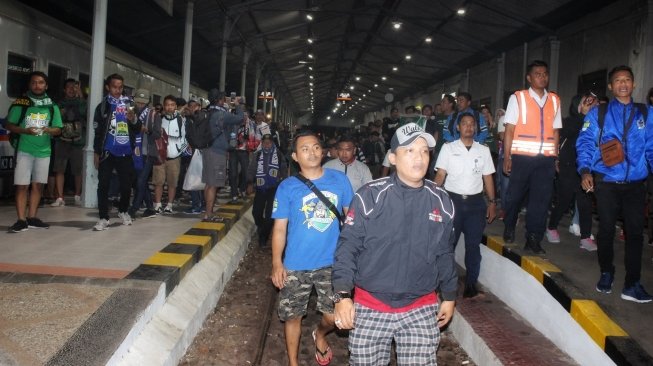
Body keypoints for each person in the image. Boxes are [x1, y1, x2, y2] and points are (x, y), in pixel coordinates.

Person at [332, 123, 457, 365]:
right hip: (370, 305)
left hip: (420, 306)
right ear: (393, 158)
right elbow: (347, 248)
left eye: (424, 151)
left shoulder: (441, 200)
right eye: (409, 151)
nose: (419, 158)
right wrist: (342, 296)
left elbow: (444, 252)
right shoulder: (370, 196)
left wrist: (450, 296)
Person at [271, 131, 353, 366]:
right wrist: (277, 262)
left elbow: (352, 220)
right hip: (296, 264)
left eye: (316, 147)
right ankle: (293, 363)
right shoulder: (287, 187)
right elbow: (279, 229)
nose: (312, 152)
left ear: (324, 151)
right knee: (293, 316)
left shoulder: (339, 181)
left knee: (333, 316)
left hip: (332, 262)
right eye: (305, 149)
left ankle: (320, 333)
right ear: (296, 156)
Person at [576, 65, 653, 303]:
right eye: (618, 80)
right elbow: (586, 143)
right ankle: (607, 273)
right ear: (611, 86)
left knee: (635, 234)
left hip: (635, 184)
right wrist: (585, 170)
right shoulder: (598, 114)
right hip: (607, 181)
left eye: (627, 79)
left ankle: (632, 283)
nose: (623, 84)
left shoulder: (646, 113)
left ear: (633, 84)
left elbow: (651, 146)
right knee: (607, 230)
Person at [502, 60, 562, 254]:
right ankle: (510, 225)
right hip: (521, 158)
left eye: (545, 74)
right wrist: (507, 157)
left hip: (545, 160)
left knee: (541, 200)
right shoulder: (518, 98)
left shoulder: (554, 100)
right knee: (514, 197)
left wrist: (555, 156)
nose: (542, 77)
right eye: (537, 74)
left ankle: (533, 238)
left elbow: (555, 131)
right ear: (529, 77)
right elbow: (509, 129)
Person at [435, 113, 497, 298]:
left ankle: (471, 286)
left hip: (476, 205)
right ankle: (443, 285)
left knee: (473, 247)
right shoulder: (448, 148)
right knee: (448, 246)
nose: (468, 127)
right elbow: (440, 176)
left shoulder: (483, 150)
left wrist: (492, 203)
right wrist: (429, 197)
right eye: (464, 124)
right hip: (452, 202)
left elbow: (488, 177)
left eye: (472, 124)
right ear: (458, 128)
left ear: (476, 128)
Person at [5, 71, 62, 232]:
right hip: (24, 150)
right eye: (34, 83)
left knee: (38, 185)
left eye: (41, 82)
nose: (37, 86)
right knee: (22, 185)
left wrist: (49, 130)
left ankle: (32, 217)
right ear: (30, 85)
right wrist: (25, 131)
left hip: (44, 152)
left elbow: (58, 129)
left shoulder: (52, 105)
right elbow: (9, 125)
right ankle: (21, 220)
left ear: (46, 85)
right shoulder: (21, 102)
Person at [546, 94, 597, 251]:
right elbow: (567, 132)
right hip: (569, 168)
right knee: (564, 201)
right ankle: (551, 227)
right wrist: (583, 115)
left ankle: (585, 237)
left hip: (587, 170)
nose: (591, 106)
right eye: (586, 102)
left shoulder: (596, 122)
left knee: (585, 204)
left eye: (593, 103)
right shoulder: (569, 121)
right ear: (578, 105)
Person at [93, 73, 142, 231]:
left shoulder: (130, 104)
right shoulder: (102, 106)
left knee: (126, 186)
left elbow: (137, 127)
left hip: (125, 151)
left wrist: (133, 119)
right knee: (104, 185)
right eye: (114, 87)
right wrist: (96, 152)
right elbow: (98, 132)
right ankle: (103, 217)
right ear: (108, 87)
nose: (117, 90)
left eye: (120, 87)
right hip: (107, 151)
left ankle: (123, 211)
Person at [202, 89, 245, 222]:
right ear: (220, 100)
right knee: (213, 184)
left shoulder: (208, 112)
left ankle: (208, 212)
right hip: (217, 152)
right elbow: (240, 118)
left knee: (209, 184)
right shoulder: (222, 114)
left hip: (207, 149)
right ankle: (209, 214)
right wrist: (237, 104)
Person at [246, 134, 287, 246]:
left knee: (270, 215)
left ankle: (263, 238)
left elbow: (283, 169)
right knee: (256, 212)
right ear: (262, 143)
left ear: (272, 143)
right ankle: (262, 226)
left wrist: (285, 185)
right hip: (260, 187)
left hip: (274, 188)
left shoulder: (278, 154)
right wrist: (249, 183)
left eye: (269, 142)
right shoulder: (257, 155)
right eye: (264, 142)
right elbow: (251, 169)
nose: (267, 145)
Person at [51, 78, 86, 207]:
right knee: (59, 169)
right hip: (62, 140)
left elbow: (86, 113)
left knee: (78, 170)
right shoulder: (59, 104)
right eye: (69, 87)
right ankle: (60, 197)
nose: (72, 89)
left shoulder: (82, 103)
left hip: (78, 141)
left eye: (74, 87)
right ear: (64, 89)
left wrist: (81, 97)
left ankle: (77, 195)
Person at [128, 89, 160, 219]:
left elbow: (158, 134)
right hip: (135, 152)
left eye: (143, 103)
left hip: (147, 153)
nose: (140, 105)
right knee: (141, 181)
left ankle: (133, 208)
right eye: (138, 102)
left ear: (148, 103)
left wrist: (147, 131)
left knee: (140, 181)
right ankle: (150, 207)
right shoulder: (131, 113)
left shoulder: (153, 115)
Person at [153, 95, 186, 214]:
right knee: (158, 181)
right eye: (167, 105)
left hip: (174, 158)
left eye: (172, 105)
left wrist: (179, 151)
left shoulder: (180, 120)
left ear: (175, 106)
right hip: (160, 157)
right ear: (164, 106)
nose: (169, 107)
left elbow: (184, 137)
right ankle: (157, 205)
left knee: (172, 183)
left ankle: (169, 205)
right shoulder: (158, 119)